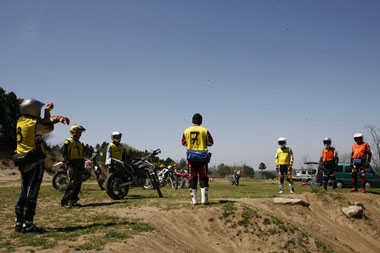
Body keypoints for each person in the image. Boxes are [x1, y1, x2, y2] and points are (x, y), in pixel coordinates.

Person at [13, 99, 69, 233]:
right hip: (34, 160)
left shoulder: (21, 121)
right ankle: (28, 223)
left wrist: (48, 114)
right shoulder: (35, 124)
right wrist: (54, 118)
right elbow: (48, 127)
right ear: (33, 110)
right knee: (32, 191)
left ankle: (19, 222)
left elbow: (43, 122)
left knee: (23, 191)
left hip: (22, 159)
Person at [182, 113, 214, 205]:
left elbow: (183, 143)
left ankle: (194, 200)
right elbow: (211, 143)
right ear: (201, 122)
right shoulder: (205, 130)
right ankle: (205, 200)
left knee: (192, 177)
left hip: (191, 158)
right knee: (203, 178)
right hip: (202, 159)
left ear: (192, 121)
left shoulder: (186, 131)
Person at [61, 124, 86, 208]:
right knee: (72, 184)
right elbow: (65, 153)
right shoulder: (68, 141)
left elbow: (81, 155)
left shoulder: (80, 143)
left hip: (79, 166)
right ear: (73, 132)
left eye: (81, 132)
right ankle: (64, 202)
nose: (80, 133)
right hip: (72, 165)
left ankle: (73, 201)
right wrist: (68, 163)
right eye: (79, 132)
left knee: (78, 184)